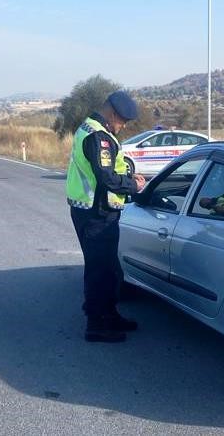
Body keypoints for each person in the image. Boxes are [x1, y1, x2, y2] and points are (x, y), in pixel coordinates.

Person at [66, 91, 147, 343]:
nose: (122, 127)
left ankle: (109, 315)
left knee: (110, 269)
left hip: (95, 211)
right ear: (112, 114)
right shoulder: (98, 137)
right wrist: (134, 185)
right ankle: (96, 324)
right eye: (122, 121)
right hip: (96, 214)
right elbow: (107, 178)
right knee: (99, 270)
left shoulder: (90, 129)